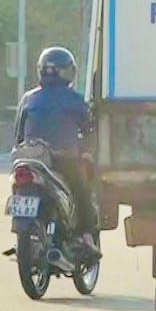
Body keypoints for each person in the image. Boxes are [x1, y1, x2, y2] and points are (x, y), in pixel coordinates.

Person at [14, 47, 99, 259]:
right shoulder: (75, 99)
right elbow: (89, 130)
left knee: (17, 185)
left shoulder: (28, 98)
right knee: (82, 190)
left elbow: (18, 133)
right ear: (67, 72)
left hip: (30, 158)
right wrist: (87, 151)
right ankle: (86, 237)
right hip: (63, 159)